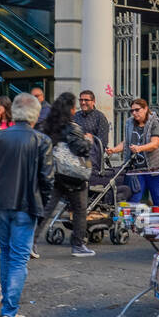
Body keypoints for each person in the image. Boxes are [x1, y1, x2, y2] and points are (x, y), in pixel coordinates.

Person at [0, 93, 53, 317]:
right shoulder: (41, 140)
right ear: (35, 115)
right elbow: (47, 179)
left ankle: (7, 309)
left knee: (6, 255)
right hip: (27, 205)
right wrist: (43, 207)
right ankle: (9, 312)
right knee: (18, 259)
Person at [37, 92, 97, 258]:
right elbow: (81, 149)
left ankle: (30, 243)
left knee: (47, 209)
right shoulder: (73, 128)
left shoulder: (47, 126)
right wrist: (88, 141)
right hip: (74, 176)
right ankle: (78, 245)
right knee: (79, 209)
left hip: (55, 174)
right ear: (70, 109)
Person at [108, 97, 159, 209]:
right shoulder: (129, 123)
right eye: (132, 110)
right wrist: (114, 150)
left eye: (137, 110)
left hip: (156, 169)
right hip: (136, 170)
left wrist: (140, 148)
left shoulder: (155, 122)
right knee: (134, 201)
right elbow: (127, 142)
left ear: (145, 109)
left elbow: (155, 143)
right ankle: (133, 225)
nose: (134, 113)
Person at [73, 90, 111, 170]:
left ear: (93, 101)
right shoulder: (75, 116)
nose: (83, 102)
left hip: (92, 161)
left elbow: (103, 142)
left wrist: (91, 139)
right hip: (75, 158)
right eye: (81, 100)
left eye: (86, 100)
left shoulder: (100, 117)